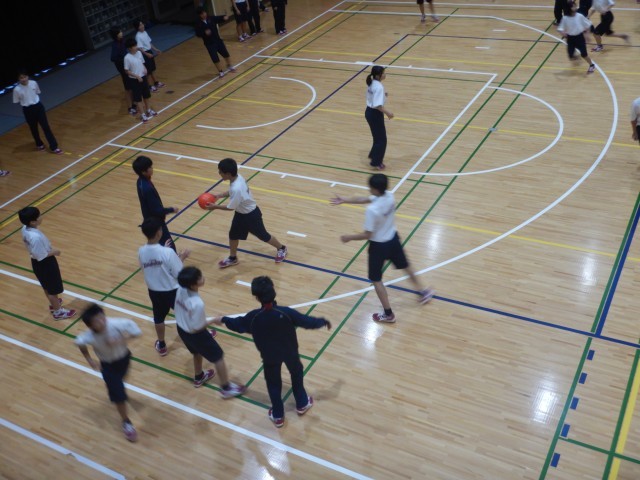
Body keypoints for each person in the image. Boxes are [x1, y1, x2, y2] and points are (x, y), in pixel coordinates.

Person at [212, 276, 331, 428]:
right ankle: (302, 403)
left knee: (273, 384)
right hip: (290, 352)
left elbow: (237, 324)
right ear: (274, 292)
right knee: (296, 373)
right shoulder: (286, 312)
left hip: (269, 356)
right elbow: (307, 322)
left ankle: (278, 415)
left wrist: (223, 319)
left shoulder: (253, 317)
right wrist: (322, 321)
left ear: (256, 297)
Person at [330, 174, 435, 323]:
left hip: (379, 247)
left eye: (370, 187)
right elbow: (366, 199)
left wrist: (349, 237)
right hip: (393, 240)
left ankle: (388, 314)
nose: (369, 189)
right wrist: (345, 200)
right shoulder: (390, 196)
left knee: (376, 279)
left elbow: (368, 234)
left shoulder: (372, 210)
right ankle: (423, 292)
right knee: (406, 266)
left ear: (375, 189)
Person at [174, 266, 246, 397]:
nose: (203, 278)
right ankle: (226, 388)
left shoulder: (180, 289)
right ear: (193, 284)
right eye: (200, 278)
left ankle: (199, 376)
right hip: (196, 334)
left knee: (196, 352)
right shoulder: (197, 303)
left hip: (181, 330)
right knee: (218, 357)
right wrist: (213, 320)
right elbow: (198, 327)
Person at [203, 158, 288, 268]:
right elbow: (231, 192)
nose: (219, 173)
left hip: (251, 215)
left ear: (228, 174)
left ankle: (282, 248)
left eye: (220, 172)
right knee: (233, 235)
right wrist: (219, 195)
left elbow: (230, 207)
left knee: (263, 236)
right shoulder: (237, 178)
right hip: (240, 214)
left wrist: (215, 207)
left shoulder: (237, 188)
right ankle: (233, 258)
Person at [74, 304, 142, 442]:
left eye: (102, 317)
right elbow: (79, 343)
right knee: (119, 395)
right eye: (96, 321)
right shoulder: (89, 336)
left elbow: (137, 332)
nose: (102, 321)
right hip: (107, 367)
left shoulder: (117, 324)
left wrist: (121, 340)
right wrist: (90, 360)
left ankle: (118, 388)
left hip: (124, 359)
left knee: (121, 382)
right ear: (90, 326)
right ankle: (126, 422)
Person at [138, 217, 191, 356]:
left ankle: (161, 344)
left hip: (154, 292)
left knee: (159, 318)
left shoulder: (141, 251)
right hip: (172, 291)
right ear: (158, 233)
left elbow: (150, 266)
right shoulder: (168, 253)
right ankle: (200, 333)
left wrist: (166, 253)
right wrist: (182, 257)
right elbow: (179, 273)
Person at [19, 206, 76, 320]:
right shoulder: (35, 238)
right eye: (39, 216)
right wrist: (55, 252)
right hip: (45, 264)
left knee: (47, 286)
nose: (41, 217)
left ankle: (54, 303)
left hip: (37, 263)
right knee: (52, 290)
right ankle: (58, 312)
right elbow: (40, 256)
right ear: (33, 221)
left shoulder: (25, 228)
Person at [132, 155, 178, 252]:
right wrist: (171, 209)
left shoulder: (140, 181)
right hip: (155, 222)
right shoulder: (147, 188)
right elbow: (156, 210)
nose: (152, 168)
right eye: (150, 167)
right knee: (169, 247)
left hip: (150, 219)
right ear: (143, 171)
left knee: (160, 245)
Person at [12, 70, 62, 154]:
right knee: (33, 128)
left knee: (46, 127)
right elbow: (16, 101)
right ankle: (39, 144)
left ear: (27, 76)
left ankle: (54, 147)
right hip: (28, 110)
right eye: (21, 78)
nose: (23, 79)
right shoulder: (16, 89)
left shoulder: (33, 83)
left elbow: (37, 92)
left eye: (25, 77)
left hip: (38, 107)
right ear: (18, 79)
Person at [365, 65, 393, 170]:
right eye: (383, 73)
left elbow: (372, 96)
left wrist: (383, 95)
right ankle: (376, 162)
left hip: (369, 112)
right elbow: (378, 106)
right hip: (375, 114)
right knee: (381, 140)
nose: (385, 74)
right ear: (378, 75)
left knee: (377, 138)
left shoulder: (372, 82)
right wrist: (388, 113)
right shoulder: (379, 87)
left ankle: (373, 155)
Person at [195, 7, 237, 78]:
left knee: (226, 54)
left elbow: (219, 18)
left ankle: (229, 66)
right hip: (209, 44)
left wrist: (224, 17)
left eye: (204, 12)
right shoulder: (198, 23)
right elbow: (198, 34)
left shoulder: (211, 18)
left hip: (218, 40)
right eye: (202, 14)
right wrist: (204, 33)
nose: (204, 14)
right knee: (215, 58)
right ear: (199, 15)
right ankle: (220, 72)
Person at [124, 38, 158, 123]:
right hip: (135, 80)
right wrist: (137, 76)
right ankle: (143, 114)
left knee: (146, 95)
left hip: (143, 78)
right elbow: (127, 71)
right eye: (134, 46)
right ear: (129, 48)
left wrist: (145, 68)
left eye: (136, 45)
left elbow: (142, 63)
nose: (136, 47)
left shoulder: (139, 53)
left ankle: (148, 110)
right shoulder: (127, 58)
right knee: (138, 98)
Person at [557, 0, 596, 74]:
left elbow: (588, 25)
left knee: (584, 54)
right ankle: (576, 57)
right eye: (573, 6)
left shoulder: (579, 16)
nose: (575, 7)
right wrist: (563, 34)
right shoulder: (565, 18)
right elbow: (560, 29)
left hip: (579, 38)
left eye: (575, 6)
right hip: (570, 39)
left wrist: (587, 35)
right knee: (571, 56)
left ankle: (592, 65)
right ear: (569, 8)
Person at [109, 27, 136, 115]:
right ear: (116, 35)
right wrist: (123, 59)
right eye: (119, 32)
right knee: (128, 88)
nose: (121, 32)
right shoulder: (115, 45)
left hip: (129, 66)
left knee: (132, 86)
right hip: (123, 69)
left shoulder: (123, 41)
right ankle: (130, 107)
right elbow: (113, 58)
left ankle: (134, 103)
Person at [133, 19, 166, 92]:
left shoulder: (145, 32)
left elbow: (149, 43)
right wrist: (146, 54)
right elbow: (140, 48)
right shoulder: (138, 36)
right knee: (147, 71)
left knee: (152, 69)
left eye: (142, 24)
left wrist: (155, 49)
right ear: (137, 27)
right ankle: (149, 86)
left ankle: (156, 83)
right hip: (144, 54)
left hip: (149, 52)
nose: (143, 26)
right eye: (140, 25)